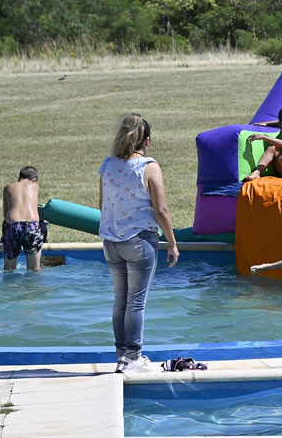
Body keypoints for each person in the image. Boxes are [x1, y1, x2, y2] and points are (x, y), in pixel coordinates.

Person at [99, 113, 179, 374]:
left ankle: (122, 356)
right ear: (147, 141)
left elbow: (102, 205)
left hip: (111, 241)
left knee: (120, 299)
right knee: (136, 302)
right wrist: (172, 243)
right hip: (139, 241)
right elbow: (162, 210)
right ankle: (133, 358)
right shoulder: (149, 166)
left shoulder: (108, 165)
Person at [1, 166, 45, 272]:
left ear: (19, 177)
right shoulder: (35, 186)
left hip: (13, 226)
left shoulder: (7, 188)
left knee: (9, 270)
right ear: (34, 180)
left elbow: (5, 215)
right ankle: (32, 289)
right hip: (32, 226)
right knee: (34, 270)